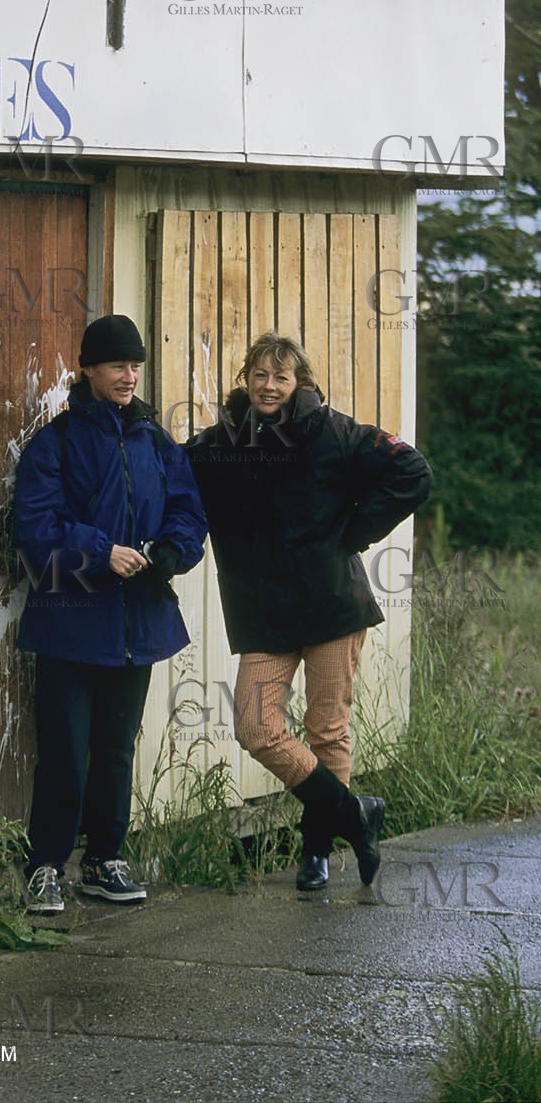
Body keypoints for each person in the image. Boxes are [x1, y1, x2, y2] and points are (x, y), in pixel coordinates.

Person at [186, 332, 432, 890]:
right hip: (265, 614)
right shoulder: (222, 442)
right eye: (260, 375)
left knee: (327, 732)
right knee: (255, 726)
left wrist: (354, 533)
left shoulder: (334, 432)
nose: (269, 386)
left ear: (300, 382)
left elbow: (412, 471)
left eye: (282, 376)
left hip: (331, 607)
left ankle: (316, 851)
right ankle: (354, 814)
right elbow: (172, 473)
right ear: (246, 379)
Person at [13, 314, 208, 913]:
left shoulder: (157, 442)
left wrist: (170, 552)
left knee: (117, 748)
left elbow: (188, 512)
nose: (129, 376)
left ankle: (105, 859)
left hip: (136, 621)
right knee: (66, 752)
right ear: (89, 370)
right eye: (118, 365)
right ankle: (45, 866)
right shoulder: (56, 443)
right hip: (71, 623)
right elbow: (35, 532)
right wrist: (102, 553)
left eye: (135, 366)